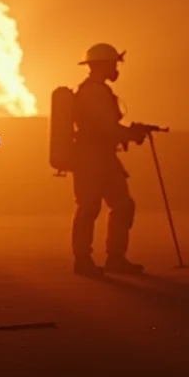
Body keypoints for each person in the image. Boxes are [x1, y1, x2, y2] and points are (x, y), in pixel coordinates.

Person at [70, 43, 147, 278]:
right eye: (113, 64)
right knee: (89, 207)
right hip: (91, 157)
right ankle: (83, 261)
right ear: (102, 65)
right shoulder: (93, 92)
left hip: (103, 156)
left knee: (123, 205)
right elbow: (105, 128)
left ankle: (116, 258)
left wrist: (128, 133)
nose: (116, 68)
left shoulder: (99, 90)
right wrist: (130, 134)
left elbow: (107, 127)